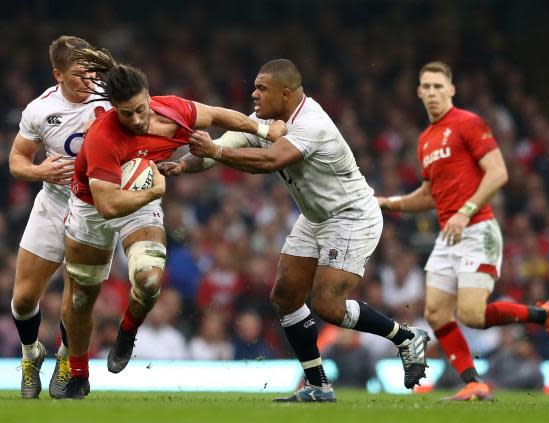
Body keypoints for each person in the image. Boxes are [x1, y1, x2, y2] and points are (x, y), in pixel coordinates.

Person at [159, 59, 431, 402]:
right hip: (315, 217)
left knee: (328, 306)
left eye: (262, 88)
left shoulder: (311, 123)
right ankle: (318, 384)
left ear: (285, 94)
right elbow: (222, 145)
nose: (253, 93)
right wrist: (183, 164)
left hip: (351, 216)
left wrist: (215, 150)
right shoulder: (264, 121)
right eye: (255, 87)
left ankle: (405, 337)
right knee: (285, 297)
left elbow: (270, 161)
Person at [60, 48, 286, 399]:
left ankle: (127, 333)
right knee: (80, 299)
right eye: (125, 113)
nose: (135, 119)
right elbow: (106, 205)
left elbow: (216, 115)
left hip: (140, 201)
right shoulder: (104, 135)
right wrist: (156, 192)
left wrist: (263, 128)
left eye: (139, 109)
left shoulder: (173, 111)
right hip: (93, 206)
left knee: (149, 282)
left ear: (149, 97)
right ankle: (78, 373)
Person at [377, 61, 549, 401]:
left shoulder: (468, 123)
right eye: (427, 87)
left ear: (451, 90)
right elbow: (428, 195)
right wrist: (388, 202)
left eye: (439, 86)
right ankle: (474, 383)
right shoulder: (425, 140)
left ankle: (546, 314)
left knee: (472, 315)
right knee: (435, 312)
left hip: (478, 228)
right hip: (449, 234)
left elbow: (497, 173)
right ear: (419, 93)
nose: (432, 92)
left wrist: (465, 211)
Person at [8, 35, 111, 399]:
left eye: (90, 72)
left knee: (77, 301)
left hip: (95, 213)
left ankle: (67, 360)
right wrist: (40, 172)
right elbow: (17, 160)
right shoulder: (39, 110)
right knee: (22, 300)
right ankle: (31, 354)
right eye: (78, 74)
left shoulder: (110, 97)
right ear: (58, 75)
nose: (88, 80)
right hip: (52, 205)